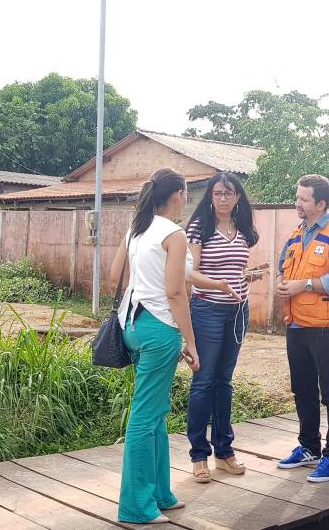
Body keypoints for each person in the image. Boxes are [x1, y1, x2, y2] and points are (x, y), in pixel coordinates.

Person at [111, 168, 199, 525]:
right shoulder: (174, 234)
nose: (186, 200)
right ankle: (135, 506)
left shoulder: (137, 227)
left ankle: (160, 493)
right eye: (186, 193)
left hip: (132, 323)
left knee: (156, 411)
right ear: (177, 195)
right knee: (145, 417)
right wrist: (190, 342)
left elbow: (117, 271)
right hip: (160, 329)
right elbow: (176, 292)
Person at [275, 174, 329, 482]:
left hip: (325, 326)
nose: (298, 203)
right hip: (295, 325)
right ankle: (309, 446)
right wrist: (284, 286)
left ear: (321, 203)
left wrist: (302, 285)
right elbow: (285, 268)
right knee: (303, 389)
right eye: (297, 197)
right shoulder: (296, 234)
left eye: (304, 199)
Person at [184, 171, 259, 482]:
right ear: (210, 196)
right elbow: (190, 273)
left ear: (238, 197)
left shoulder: (242, 228)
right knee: (203, 381)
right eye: (218, 193)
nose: (223, 198)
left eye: (229, 193)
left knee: (224, 383)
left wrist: (250, 275)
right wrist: (219, 285)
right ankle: (198, 455)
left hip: (238, 311)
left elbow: (236, 270)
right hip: (207, 311)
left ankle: (224, 452)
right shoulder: (199, 227)